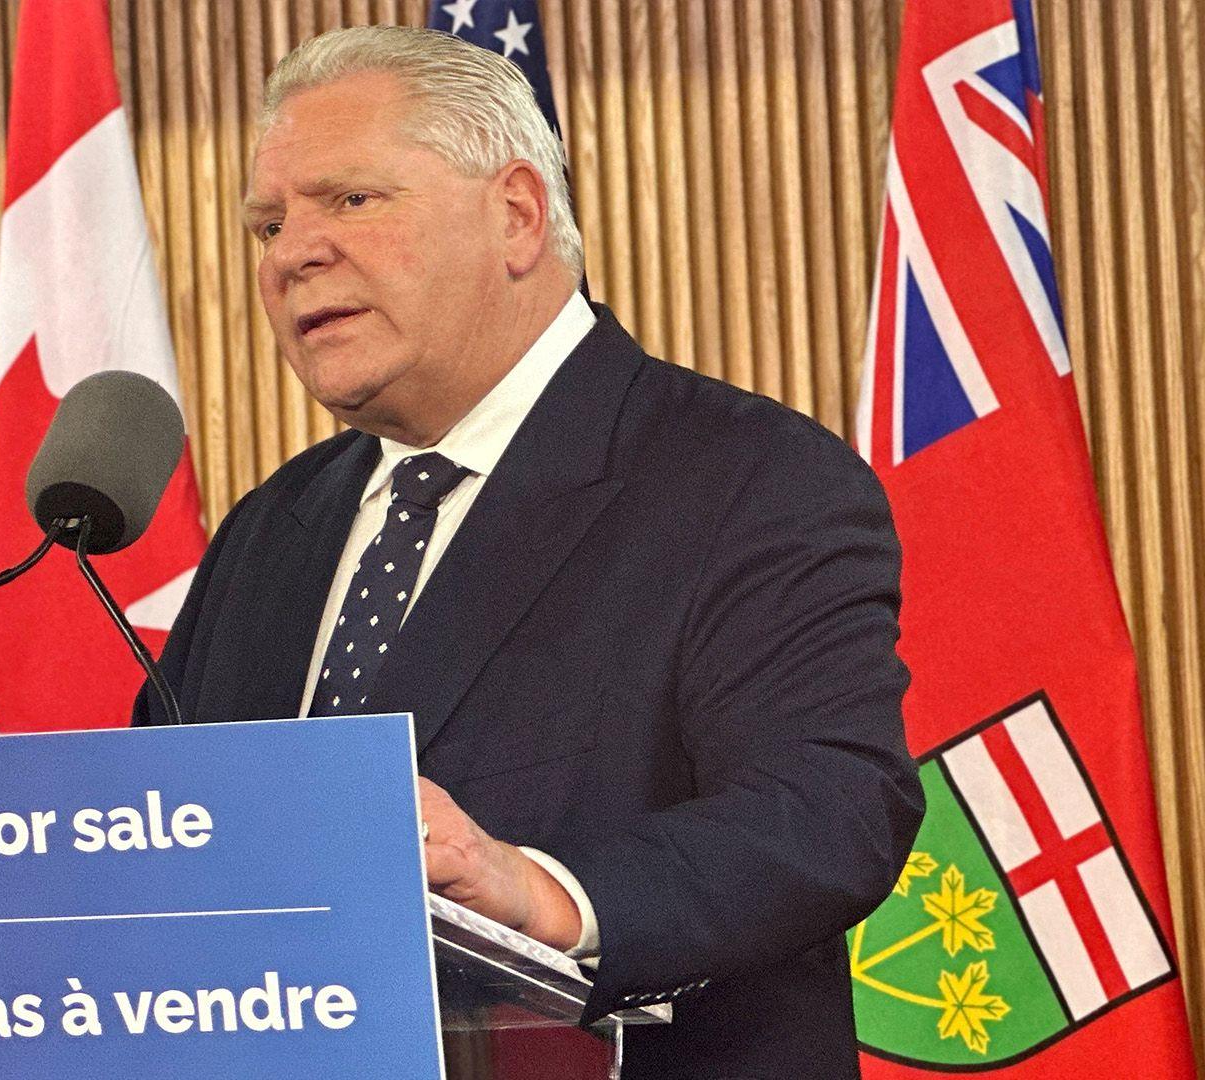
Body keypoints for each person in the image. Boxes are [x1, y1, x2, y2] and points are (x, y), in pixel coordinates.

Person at [133, 25, 923, 1077]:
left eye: (351, 201)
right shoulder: (273, 531)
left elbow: (829, 813)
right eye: (268, 222)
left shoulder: (748, 479)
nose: (289, 253)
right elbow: (175, 847)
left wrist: (542, 894)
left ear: (515, 213)